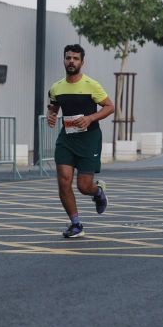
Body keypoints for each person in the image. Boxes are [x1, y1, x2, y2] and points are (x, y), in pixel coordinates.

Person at [47, 44, 115, 239]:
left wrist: (90, 118)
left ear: (82, 62)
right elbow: (53, 107)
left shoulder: (91, 85)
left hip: (89, 139)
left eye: (76, 59)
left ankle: (98, 191)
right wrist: (51, 115)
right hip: (67, 139)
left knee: (84, 186)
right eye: (68, 58)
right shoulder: (56, 87)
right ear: (64, 60)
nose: (71, 61)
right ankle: (76, 224)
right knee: (63, 181)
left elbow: (110, 107)